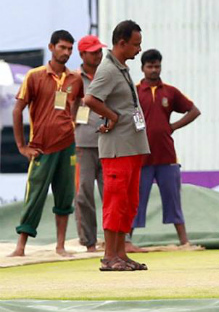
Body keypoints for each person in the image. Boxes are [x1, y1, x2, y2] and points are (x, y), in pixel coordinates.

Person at [8, 30, 83, 257]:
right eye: (62, 47)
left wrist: (76, 125)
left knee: (65, 195)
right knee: (35, 196)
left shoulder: (75, 79)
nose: (67, 53)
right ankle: (20, 247)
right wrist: (22, 146)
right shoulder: (35, 76)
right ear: (51, 48)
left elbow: (80, 102)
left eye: (70, 49)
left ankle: (60, 246)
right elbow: (17, 109)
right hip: (41, 146)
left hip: (67, 146)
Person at [84, 20, 150, 271]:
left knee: (128, 202)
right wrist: (112, 117)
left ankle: (120, 253)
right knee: (115, 201)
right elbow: (90, 98)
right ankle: (110, 256)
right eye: (135, 44)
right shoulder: (108, 69)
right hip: (117, 148)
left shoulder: (120, 68)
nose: (139, 49)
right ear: (121, 43)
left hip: (130, 145)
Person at [126, 49, 201, 251]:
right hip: (141, 157)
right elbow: (125, 115)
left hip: (166, 156)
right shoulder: (133, 91)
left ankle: (184, 241)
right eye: (149, 66)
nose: (153, 70)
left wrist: (173, 127)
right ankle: (127, 241)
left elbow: (194, 110)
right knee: (135, 200)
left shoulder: (170, 91)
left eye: (157, 66)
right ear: (142, 68)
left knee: (173, 199)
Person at [73, 35, 107, 252]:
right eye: (93, 51)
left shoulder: (107, 75)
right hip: (82, 143)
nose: (98, 54)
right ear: (82, 54)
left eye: (99, 50)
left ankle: (116, 240)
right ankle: (90, 243)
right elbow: (63, 107)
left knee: (112, 193)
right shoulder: (73, 78)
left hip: (108, 143)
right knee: (84, 193)